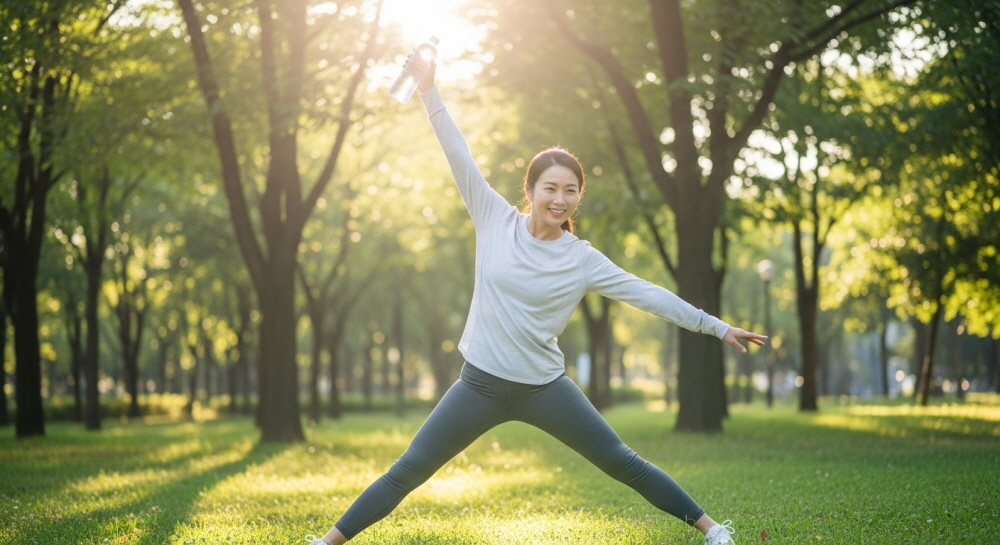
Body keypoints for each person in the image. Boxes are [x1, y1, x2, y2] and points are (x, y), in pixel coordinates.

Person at [306, 61, 765, 545]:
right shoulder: (492, 219)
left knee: (620, 461)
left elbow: (648, 294)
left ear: (577, 198)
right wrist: (429, 90)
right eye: (550, 188)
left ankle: (713, 531)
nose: (559, 198)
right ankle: (327, 543)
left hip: (544, 387)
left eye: (570, 190)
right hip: (478, 384)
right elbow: (457, 153)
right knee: (409, 468)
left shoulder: (581, 259)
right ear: (530, 191)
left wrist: (717, 327)